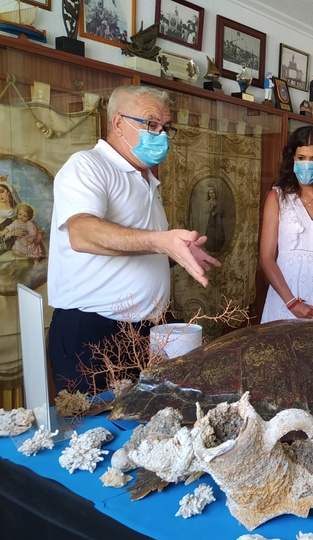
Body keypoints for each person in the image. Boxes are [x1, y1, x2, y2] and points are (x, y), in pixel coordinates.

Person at [47, 85, 221, 394]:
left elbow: (139, 244)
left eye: (166, 128)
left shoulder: (147, 180)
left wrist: (175, 252)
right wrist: (159, 241)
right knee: (97, 429)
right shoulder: (87, 166)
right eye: (151, 124)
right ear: (118, 123)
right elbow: (82, 233)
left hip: (145, 331)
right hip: (94, 333)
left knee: (142, 428)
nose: (161, 135)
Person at [259, 125, 313, 323]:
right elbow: (266, 257)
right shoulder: (277, 197)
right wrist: (291, 302)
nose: (307, 164)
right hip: (285, 300)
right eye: (301, 158)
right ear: (292, 159)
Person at [0, 180, 19, 255]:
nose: (0, 195)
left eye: (1, 191)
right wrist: (12, 233)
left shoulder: (18, 211)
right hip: (3, 251)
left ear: (8, 192)